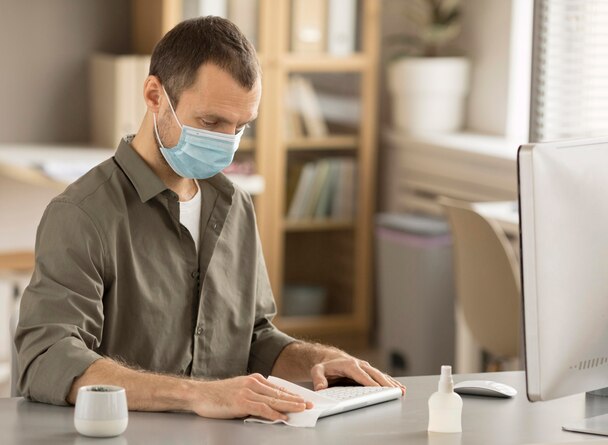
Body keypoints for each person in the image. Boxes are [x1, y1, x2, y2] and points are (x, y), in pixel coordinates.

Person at [14, 16, 404, 421]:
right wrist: (198, 395)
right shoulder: (83, 215)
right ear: (154, 95)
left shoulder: (234, 205)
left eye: (240, 127)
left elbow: (252, 338)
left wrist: (319, 360)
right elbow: (46, 358)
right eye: (211, 122)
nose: (226, 142)